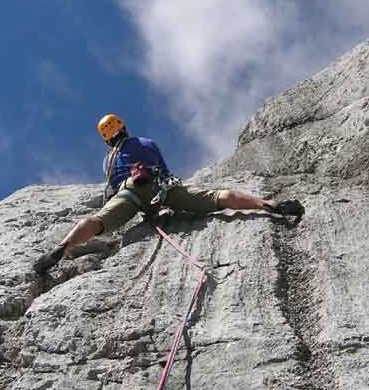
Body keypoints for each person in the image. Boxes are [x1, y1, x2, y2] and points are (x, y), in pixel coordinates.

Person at [33, 114, 304, 274]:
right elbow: (161, 168)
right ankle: (268, 204)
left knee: (100, 220)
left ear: (107, 138)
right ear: (123, 127)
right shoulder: (144, 143)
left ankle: (62, 247)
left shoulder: (108, 161)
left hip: (130, 193)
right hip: (162, 188)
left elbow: (116, 186)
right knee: (216, 197)